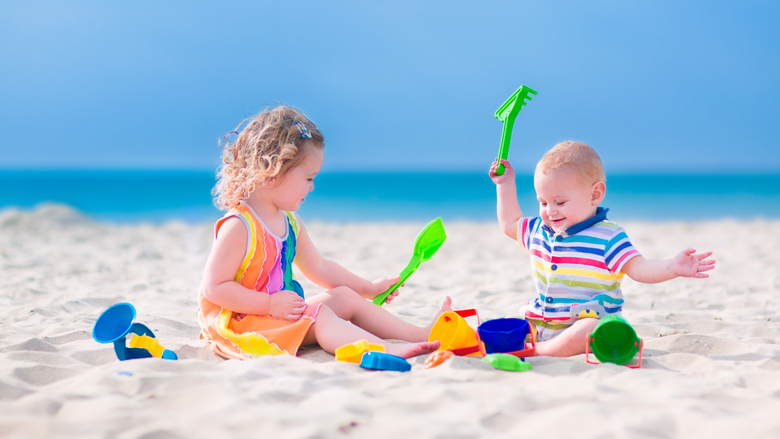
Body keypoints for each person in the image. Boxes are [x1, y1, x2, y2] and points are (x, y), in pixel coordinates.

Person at [199, 105, 448, 360]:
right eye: (308, 178)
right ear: (274, 171)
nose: (312, 186)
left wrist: (369, 288)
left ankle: (420, 335)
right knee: (320, 316)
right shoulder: (240, 226)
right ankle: (387, 350)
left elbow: (319, 267)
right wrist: (269, 304)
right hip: (245, 326)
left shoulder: (290, 223)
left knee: (344, 297)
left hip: (277, 316)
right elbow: (215, 287)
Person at [489, 141, 715, 357]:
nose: (550, 211)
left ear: (595, 195)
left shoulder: (608, 236)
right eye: (543, 202)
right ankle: (526, 345)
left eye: (560, 202)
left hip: (585, 322)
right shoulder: (539, 230)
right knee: (511, 323)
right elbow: (510, 223)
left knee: (588, 330)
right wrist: (504, 184)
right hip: (542, 320)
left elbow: (639, 267)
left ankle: (541, 352)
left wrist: (671, 267)